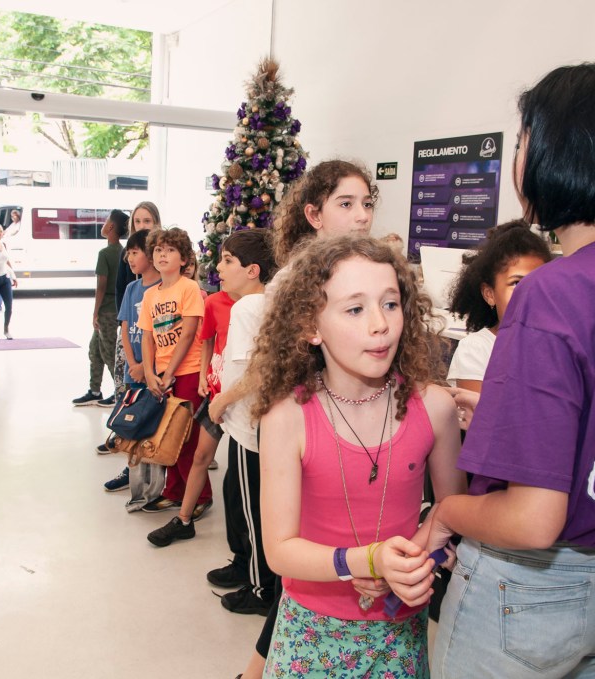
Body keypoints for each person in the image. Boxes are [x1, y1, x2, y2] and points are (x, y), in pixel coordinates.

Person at [405, 61, 595, 678]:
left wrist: (445, 513)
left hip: (523, 593)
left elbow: (531, 519)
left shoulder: (553, 292)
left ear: (559, 152)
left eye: (523, 140)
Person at [247, 234, 464, 677]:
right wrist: (366, 560)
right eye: (354, 309)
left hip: (400, 634)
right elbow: (280, 551)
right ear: (311, 325)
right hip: (310, 633)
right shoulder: (287, 417)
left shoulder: (435, 408)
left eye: (390, 304)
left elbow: (453, 513)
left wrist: (422, 559)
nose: (380, 324)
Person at [234, 158, 380, 678]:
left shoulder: (368, 269)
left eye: (367, 204)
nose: (361, 215)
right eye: (347, 204)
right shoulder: (295, 282)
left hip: (355, 433)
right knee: (296, 571)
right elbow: (278, 372)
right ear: (314, 215)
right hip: (308, 440)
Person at [146, 230, 273, 556]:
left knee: (243, 483)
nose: (218, 267)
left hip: (239, 404)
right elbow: (208, 342)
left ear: (252, 270)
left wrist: (224, 399)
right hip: (218, 393)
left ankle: (253, 557)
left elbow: (259, 368)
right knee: (201, 457)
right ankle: (184, 519)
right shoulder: (217, 301)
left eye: (227, 260)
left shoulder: (256, 308)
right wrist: (207, 378)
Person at [136, 227, 210, 515]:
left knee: (187, 436)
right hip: (162, 374)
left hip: (188, 371)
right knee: (167, 434)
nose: (163, 255)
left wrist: (170, 374)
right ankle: (174, 491)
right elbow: (147, 337)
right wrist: (151, 372)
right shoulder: (150, 295)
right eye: (158, 250)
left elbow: (189, 333)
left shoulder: (188, 288)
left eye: (170, 250)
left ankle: (200, 496)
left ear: (184, 259)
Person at [446, 219, 552, 392]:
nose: (529, 293)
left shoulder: (554, 346)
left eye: (539, 283)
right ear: (489, 294)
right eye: (516, 283)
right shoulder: (476, 349)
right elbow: (481, 408)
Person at [98, 202, 163, 453]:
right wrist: (134, 364)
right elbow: (125, 323)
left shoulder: (165, 287)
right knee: (130, 407)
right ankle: (125, 447)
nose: (142, 225)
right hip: (133, 359)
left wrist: (145, 367)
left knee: (153, 418)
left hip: (155, 366)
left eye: (147, 221)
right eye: (137, 221)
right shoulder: (131, 286)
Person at [73, 209, 128, 407]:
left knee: (108, 351)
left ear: (111, 226)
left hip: (106, 310)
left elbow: (101, 285)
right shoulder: (123, 252)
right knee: (95, 349)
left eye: (106, 222)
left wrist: (95, 312)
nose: (103, 225)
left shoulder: (105, 253)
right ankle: (94, 390)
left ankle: (119, 392)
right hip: (116, 307)